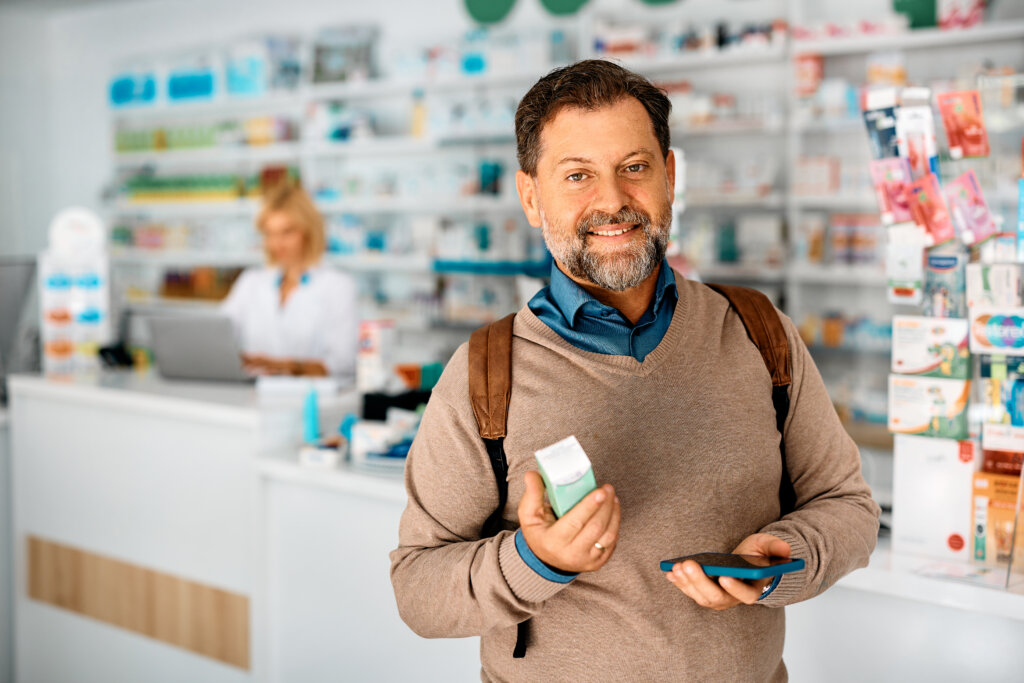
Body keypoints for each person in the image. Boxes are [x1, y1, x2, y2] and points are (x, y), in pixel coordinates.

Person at [389, 60, 880, 681]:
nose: (613, 200)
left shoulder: (759, 332)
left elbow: (849, 506)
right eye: (577, 176)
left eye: (635, 167)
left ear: (670, 177)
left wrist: (791, 556)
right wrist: (533, 560)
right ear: (531, 197)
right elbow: (417, 590)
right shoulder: (486, 373)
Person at [220, 182, 358, 379]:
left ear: (309, 232)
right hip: (252, 397)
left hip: (312, 398)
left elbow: (344, 363)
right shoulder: (251, 282)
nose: (277, 244)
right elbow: (218, 334)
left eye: (287, 232)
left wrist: (281, 366)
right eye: (270, 234)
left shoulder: (337, 286)